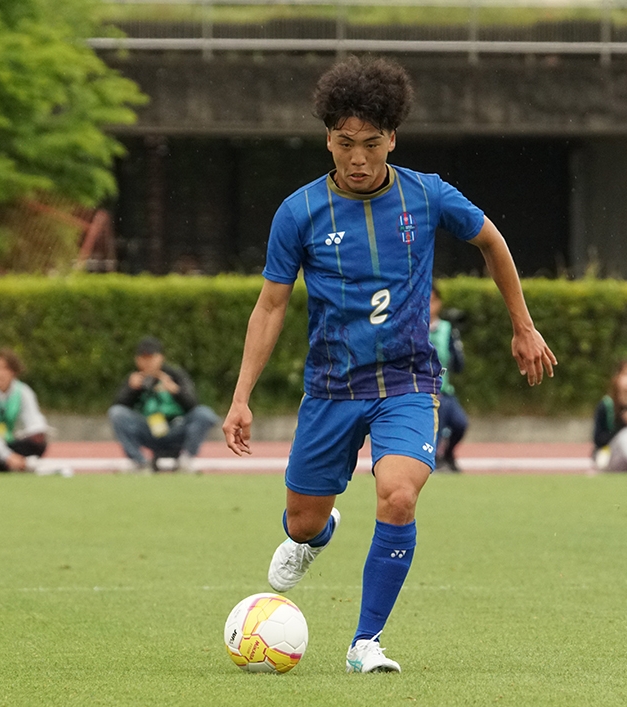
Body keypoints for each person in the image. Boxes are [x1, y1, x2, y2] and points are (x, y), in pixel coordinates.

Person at [221, 57, 556, 674]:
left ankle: (365, 642)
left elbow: (491, 241)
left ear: (393, 138)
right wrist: (241, 396)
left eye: (371, 144)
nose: (358, 158)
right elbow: (270, 306)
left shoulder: (427, 195)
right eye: (344, 142)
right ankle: (316, 534)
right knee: (301, 521)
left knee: (399, 495)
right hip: (331, 387)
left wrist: (523, 325)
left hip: (407, 381)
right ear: (328, 139)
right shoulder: (298, 212)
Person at [108, 336, 220, 474]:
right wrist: (131, 390)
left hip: (176, 427)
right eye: (144, 358)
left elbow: (194, 405)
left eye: (151, 357)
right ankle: (140, 462)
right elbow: (118, 408)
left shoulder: (175, 375)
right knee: (116, 413)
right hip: (148, 429)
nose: (148, 362)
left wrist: (176, 391)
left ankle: (186, 460)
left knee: (205, 414)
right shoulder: (134, 379)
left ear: (161, 357)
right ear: (137, 360)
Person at [429, 285, 468, 472]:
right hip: (424, 391)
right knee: (437, 423)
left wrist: (457, 345)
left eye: (433, 301)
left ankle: (448, 454)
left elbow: (458, 365)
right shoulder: (415, 328)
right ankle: (433, 460)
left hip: (444, 390)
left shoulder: (447, 329)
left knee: (460, 423)